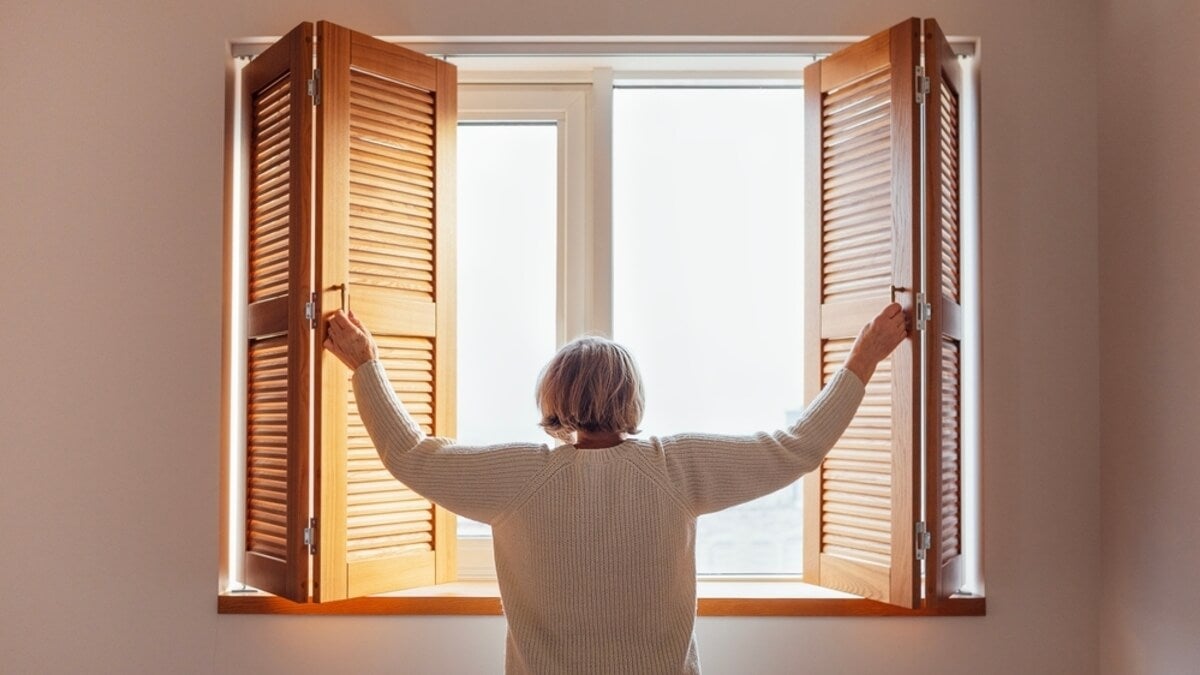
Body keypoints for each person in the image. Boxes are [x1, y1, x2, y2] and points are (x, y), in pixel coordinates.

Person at [324, 303, 908, 675]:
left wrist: (365, 365)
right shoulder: (676, 468)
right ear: (631, 398)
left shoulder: (518, 479)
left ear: (552, 399)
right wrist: (862, 358)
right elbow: (796, 446)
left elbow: (409, 454)